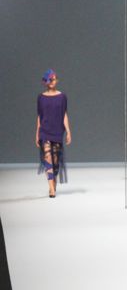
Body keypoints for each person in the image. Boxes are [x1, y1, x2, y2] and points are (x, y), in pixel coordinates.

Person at [36, 69, 71, 198]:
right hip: (44, 131)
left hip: (57, 131)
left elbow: (64, 114)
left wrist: (68, 131)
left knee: (55, 161)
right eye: (49, 79)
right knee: (48, 158)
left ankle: (53, 181)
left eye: (53, 79)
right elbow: (39, 116)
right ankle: (51, 188)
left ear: (57, 80)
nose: (51, 81)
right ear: (45, 81)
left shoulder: (62, 97)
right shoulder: (41, 98)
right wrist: (37, 133)